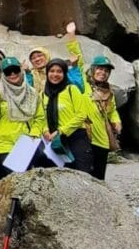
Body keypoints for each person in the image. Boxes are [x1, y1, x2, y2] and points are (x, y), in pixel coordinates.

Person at [64, 22, 122, 180]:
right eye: (100, 69)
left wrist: (116, 121)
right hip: (85, 138)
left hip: (102, 140)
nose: (103, 73)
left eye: (106, 70)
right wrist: (71, 35)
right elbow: (78, 58)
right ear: (93, 69)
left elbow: (112, 111)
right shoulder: (83, 83)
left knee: (98, 178)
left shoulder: (108, 92)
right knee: (82, 177)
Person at [0, 57, 45, 181]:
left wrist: (34, 134)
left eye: (15, 70)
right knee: (16, 178)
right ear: (3, 74)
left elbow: (39, 118)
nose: (12, 74)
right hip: (4, 143)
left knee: (23, 180)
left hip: (25, 141)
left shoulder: (32, 93)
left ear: (20, 71)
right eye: (8, 72)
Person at [41, 58, 93, 174]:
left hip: (76, 138)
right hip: (54, 141)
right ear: (47, 73)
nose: (55, 74)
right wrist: (45, 130)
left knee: (82, 174)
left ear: (64, 73)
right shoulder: (43, 94)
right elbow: (41, 117)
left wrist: (61, 131)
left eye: (59, 71)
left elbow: (82, 114)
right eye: (52, 71)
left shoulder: (71, 89)